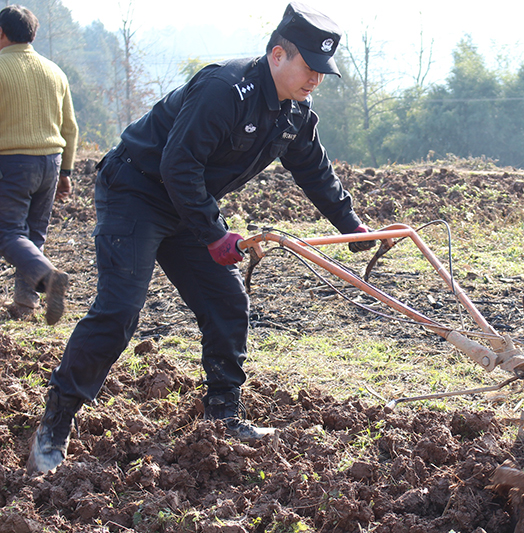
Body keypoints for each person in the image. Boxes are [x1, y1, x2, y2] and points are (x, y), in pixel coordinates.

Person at [27, 2, 376, 474]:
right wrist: (215, 235)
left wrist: (350, 223)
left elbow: (312, 168)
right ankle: (55, 422)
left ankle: (223, 416)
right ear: (278, 55)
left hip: (189, 205)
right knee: (120, 310)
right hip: (137, 191)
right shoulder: (224, 89)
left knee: (226, 302)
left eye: (322, 72)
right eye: (309, 68)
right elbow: (178, 165)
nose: (316, 79)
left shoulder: (295, 111)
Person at [0, 5, 77, 325]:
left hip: (13, 162)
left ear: (1, 33)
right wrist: (66, 172)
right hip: (51, 161)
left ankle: (47, 278)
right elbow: (70, 127)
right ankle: (25, 303)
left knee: (7, 233)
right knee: (32, 235)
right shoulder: (54, 71)